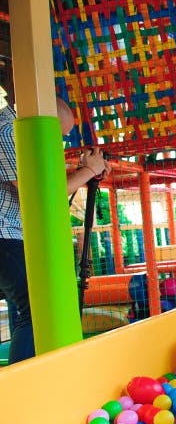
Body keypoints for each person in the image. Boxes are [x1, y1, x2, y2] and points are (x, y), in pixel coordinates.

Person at [0, 97, 110, 364]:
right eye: (60, 136)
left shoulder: (21, 133)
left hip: (16, 236)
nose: (61, 144)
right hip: (4, 236)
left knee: (25, 309)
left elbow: (46, 183)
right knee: (37, 308)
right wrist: (88, 171)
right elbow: (39, 196)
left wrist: (85, 171)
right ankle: (25, 386)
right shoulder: (7, 132)